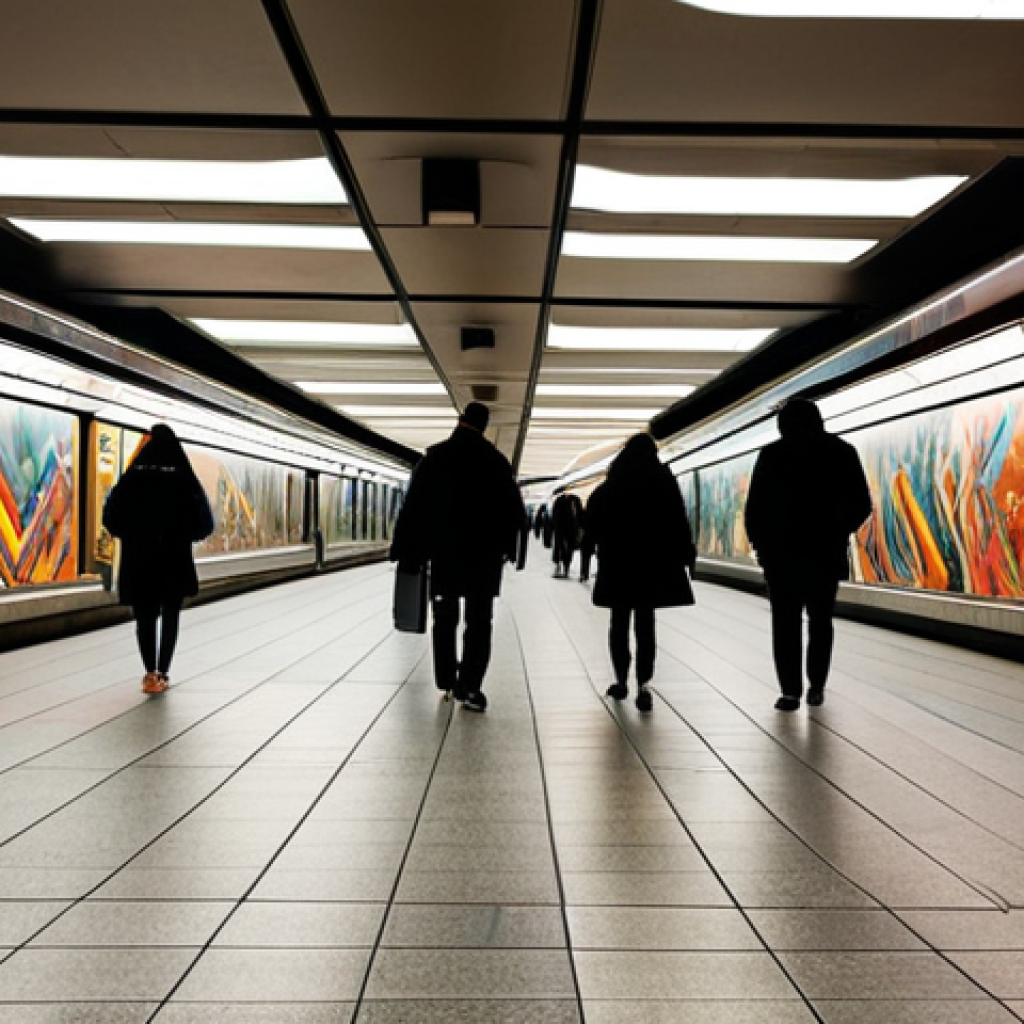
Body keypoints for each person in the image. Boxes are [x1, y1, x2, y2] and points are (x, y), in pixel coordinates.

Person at [390, 402, 525, 712]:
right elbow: (514, 513)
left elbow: (413, 508)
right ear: (484, 426)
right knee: (480, 620)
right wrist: (509, 550)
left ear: (460, 420)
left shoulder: (436, 457)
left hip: (445, 555)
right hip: (484, 558)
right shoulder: (496, 462)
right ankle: (471, 686)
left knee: (445, 617)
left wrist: (406, 551)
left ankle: (446, 679)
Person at [744, 398, 872, 712]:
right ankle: (816, 686)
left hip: (781, 556)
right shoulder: (842, 451)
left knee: (785, 623)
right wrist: (839, 530)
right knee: (821, 621)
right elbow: (862, 503)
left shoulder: (773, 454)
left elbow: (755, 508)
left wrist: (762, 547)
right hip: (825, 553)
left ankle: (790, 691)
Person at [585, 433, 696, 712]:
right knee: (645, 624)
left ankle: (621, 680)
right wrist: (686, 556)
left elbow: (592, 524)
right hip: (652, 566)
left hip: (618, 564)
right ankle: (644, 684)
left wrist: (592, 551)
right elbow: (679, 520)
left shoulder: (610, 486)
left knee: (619, 623)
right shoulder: (663, 482)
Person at [102, 424, 214, 694]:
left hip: (139, 559)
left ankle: (149, 672)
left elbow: (111, 518)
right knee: (171, 614)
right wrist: (181, 534)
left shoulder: (132, 478)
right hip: (174, 560)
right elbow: (205, 524)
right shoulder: (185, 479)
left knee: (144, 616)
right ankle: (164, 671)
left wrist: (134, 534)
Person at [551, 492, 583, 578]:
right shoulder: (559, 499)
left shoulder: (576, 499)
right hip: (560, 528)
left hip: (572, 529)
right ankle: (558, 565)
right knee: (558, 547)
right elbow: (555, 514)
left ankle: (566, 567)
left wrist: (579, 527)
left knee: (569, 548)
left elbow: (579, 514)